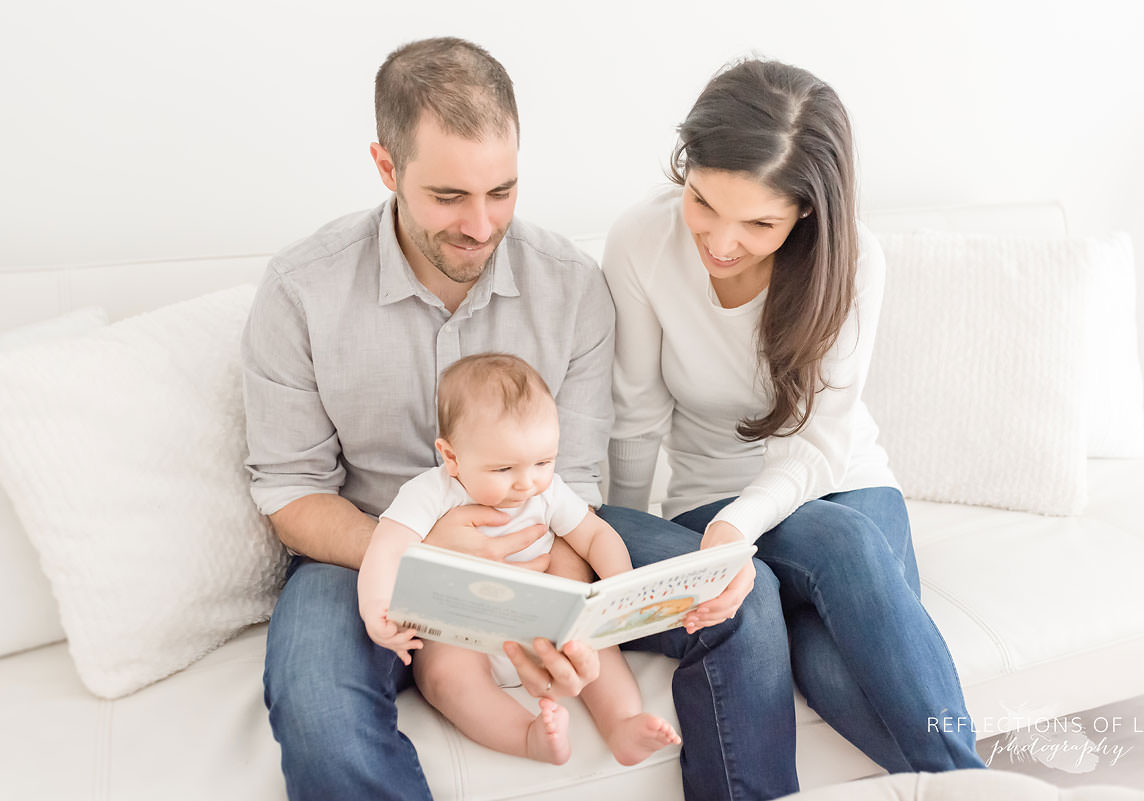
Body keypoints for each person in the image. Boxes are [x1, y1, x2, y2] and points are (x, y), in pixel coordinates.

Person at [242, 37, 799, 801]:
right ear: (386, 167)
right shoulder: (302, 290)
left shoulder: (569, 286)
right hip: (364, 547)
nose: (480, 224)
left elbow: (572, 483)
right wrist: (426, 552)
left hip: (547, 526)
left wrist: (555, 611)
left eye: (501, 191)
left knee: (743, 597)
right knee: (315, 702)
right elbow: (289, 491)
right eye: (448, 197)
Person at [601, 58, 988, 773]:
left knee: (833, 658)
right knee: (841, 553)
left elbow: (819, 447)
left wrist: (737, 530)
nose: (720, 240)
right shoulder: (639, 243)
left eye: (758, 222)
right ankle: (975, 785)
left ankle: (965, 785)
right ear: (685, 168)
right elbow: (634, 418)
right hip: (709, 494)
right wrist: (625, 555)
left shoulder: (854, 262)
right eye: (703, 202)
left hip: (841, 478)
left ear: (806, 210)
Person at [357, 352, 681, 766]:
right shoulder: (430, 493)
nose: (526, 483)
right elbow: (387, 547)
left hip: (540, 616)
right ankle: (527, 736)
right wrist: (376, 608)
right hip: (460, 628)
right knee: (443, 677)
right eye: (504, 468)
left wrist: (620, 582)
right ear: (451, 456)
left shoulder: (548, 491)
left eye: (544, 462)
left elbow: (595, 534)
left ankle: (622, 723)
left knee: (596, 648)